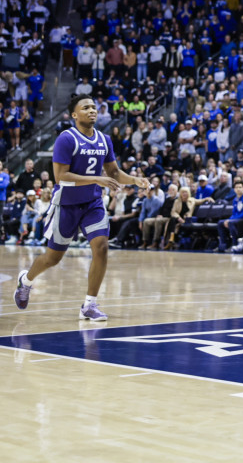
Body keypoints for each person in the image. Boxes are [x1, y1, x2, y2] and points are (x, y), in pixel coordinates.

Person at [13, 94, 151, 320]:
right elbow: (60, 177)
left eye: (94, 107)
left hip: (92, 203)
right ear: (74, 115)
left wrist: (135, 180)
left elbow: (114, 173)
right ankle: (26, 280)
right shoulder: (66, 139)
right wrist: (96, 179)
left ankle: (89, 305)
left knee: (102, 247)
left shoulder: (105, 139)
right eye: (86, 107)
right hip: (66, 204)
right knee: (52, 258)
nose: (92, 111)